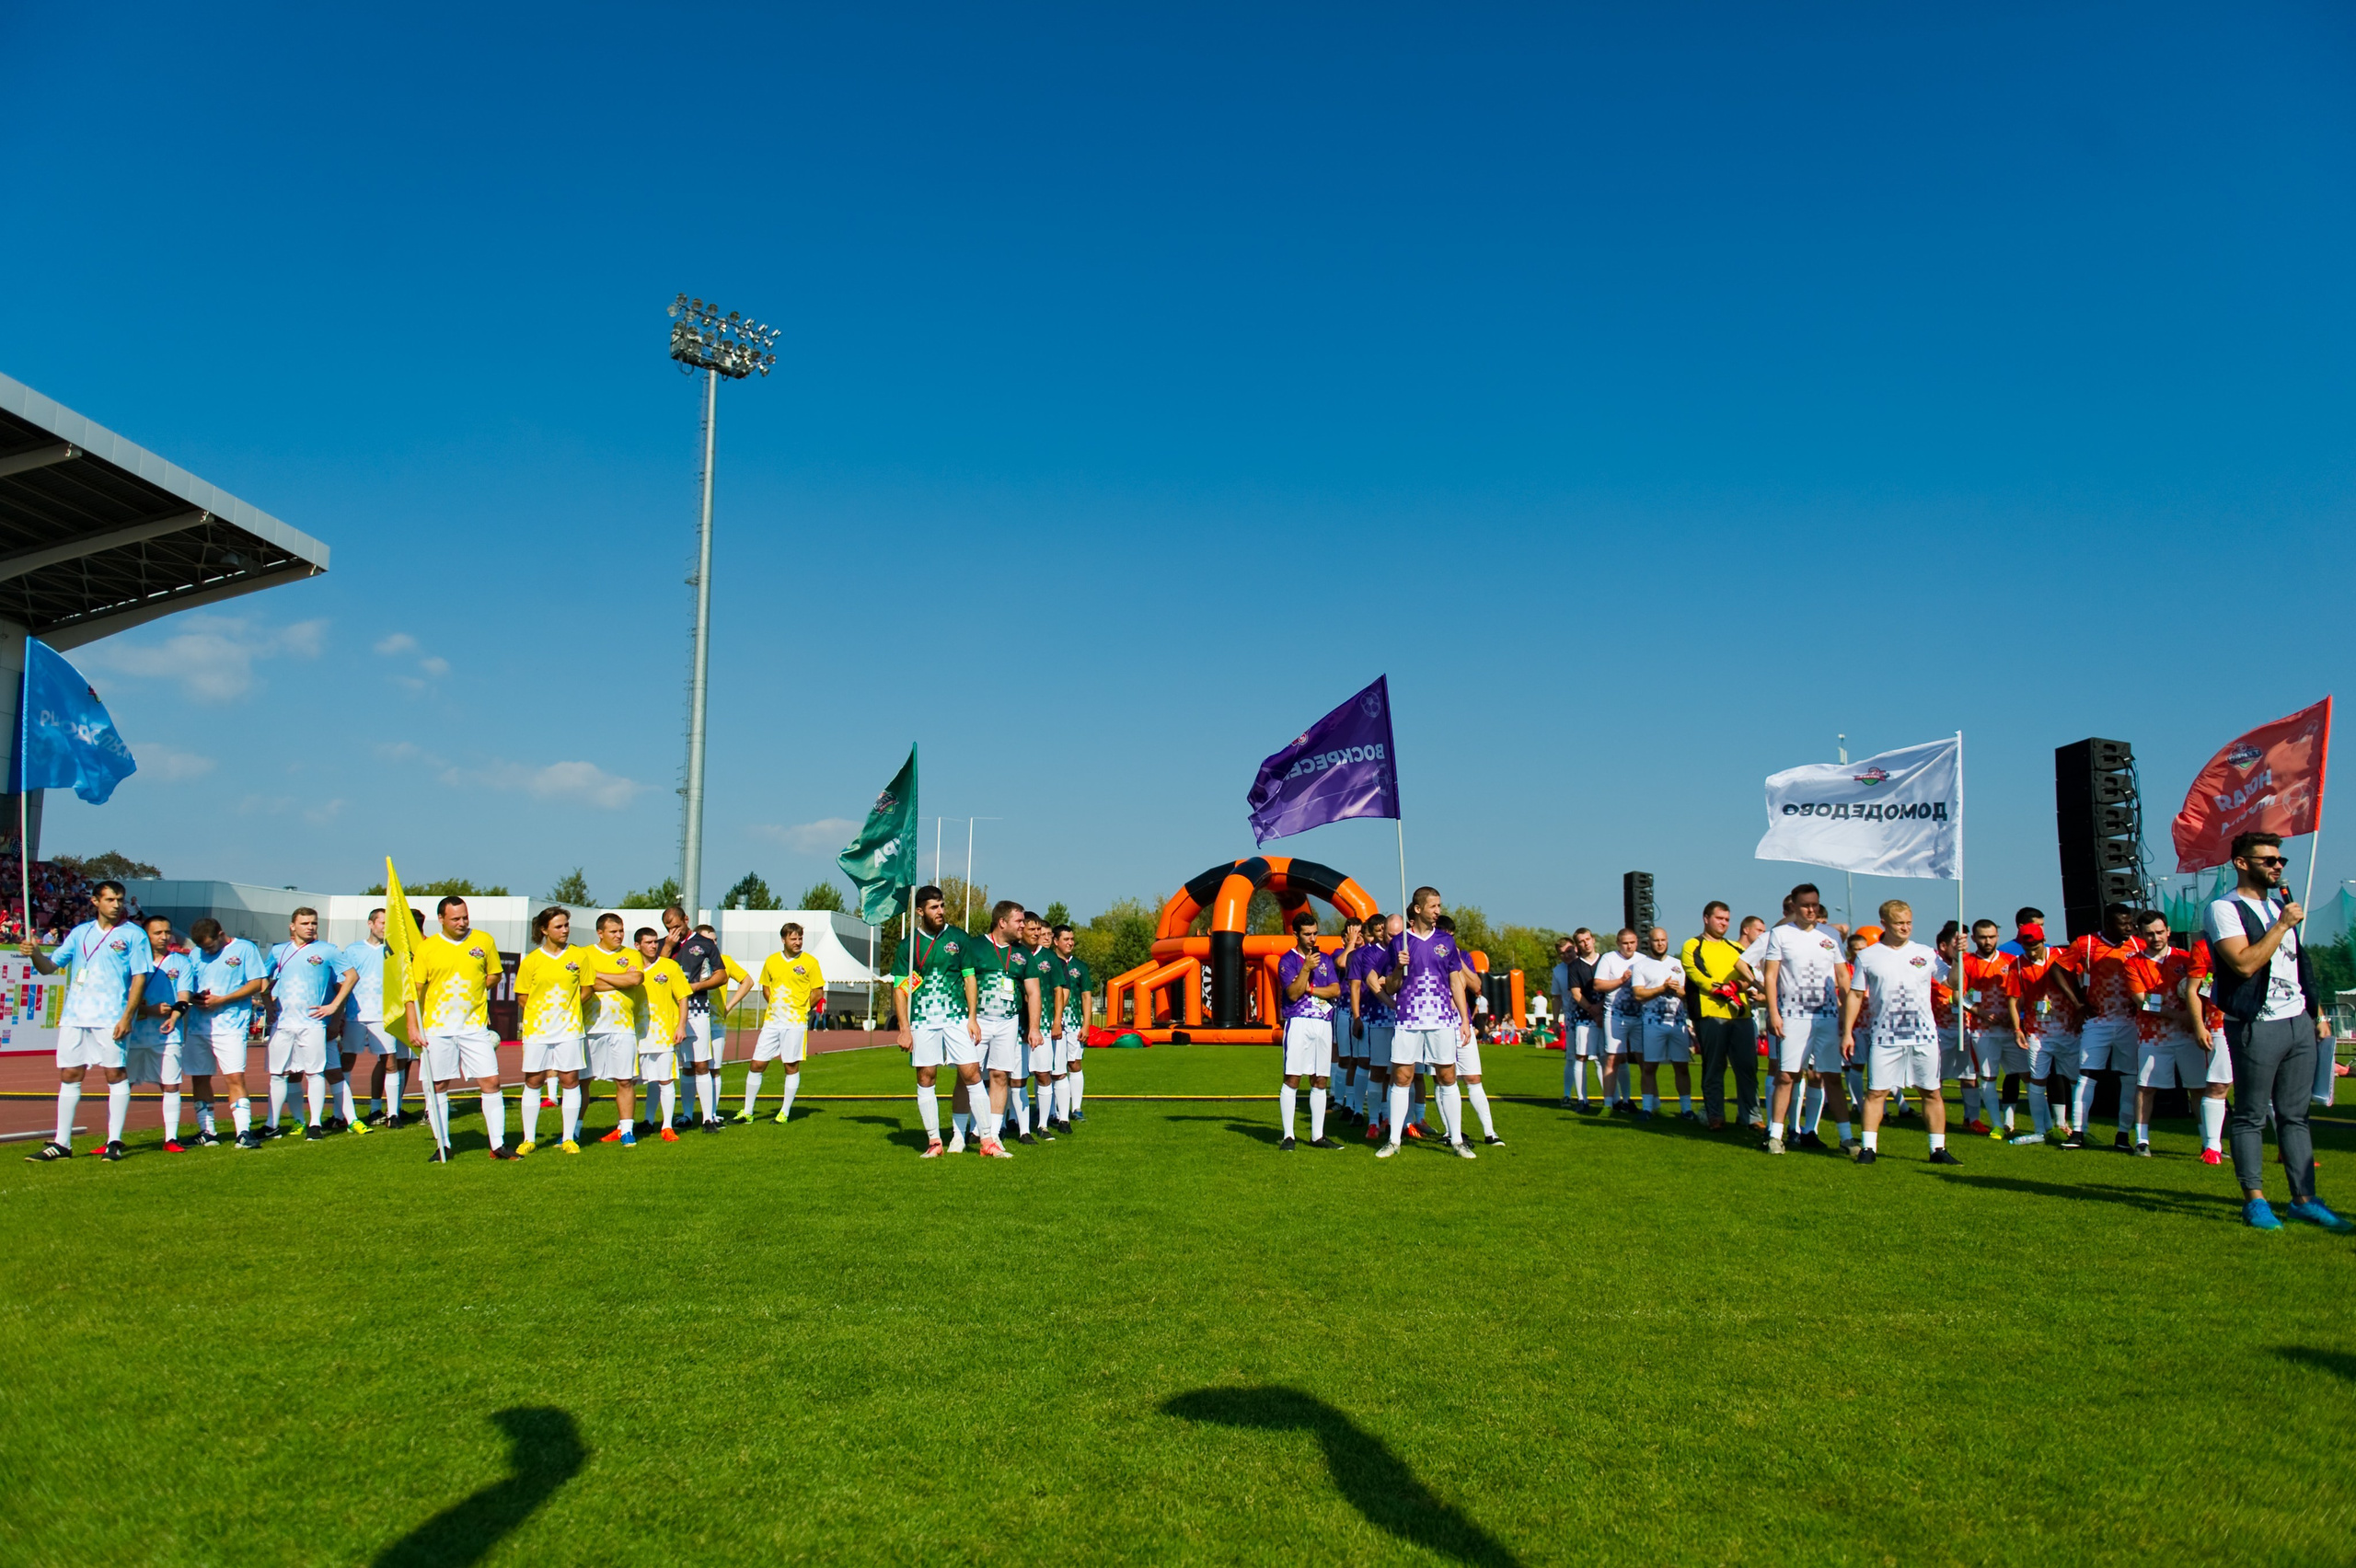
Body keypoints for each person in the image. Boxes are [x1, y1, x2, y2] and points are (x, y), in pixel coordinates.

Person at [2204, 831, 2347, 1231]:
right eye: (2268, 860)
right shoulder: (2224, 909)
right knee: (2250, 1114)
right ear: (2241, 863)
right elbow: (2244, 964)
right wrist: (2283, 925)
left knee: (2295, 1116)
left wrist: (2316, 1014)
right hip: (2256, 1023)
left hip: (2297, 1020)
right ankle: (2256, 1201)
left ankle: (2304, 1199)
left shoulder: (2279, 906)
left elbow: (2299, 969)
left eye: (2280, 860)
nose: (2277, 866)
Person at [21, 878, 152, 1162]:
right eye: (110, 899)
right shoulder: (80, 933)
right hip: (75, 1015)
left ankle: (114, 1140)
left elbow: (140, 977)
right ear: (95, 901)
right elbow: (48, 968)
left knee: (115, 1074)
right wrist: (35, 954)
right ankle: (62, 1143)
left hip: (110, 1016)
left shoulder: (133, 935)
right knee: (70, 1075)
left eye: (119, 899)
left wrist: (128, 1015)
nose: (116, 905)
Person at [1842, 901, 1961, 1166]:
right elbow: (1856, 994)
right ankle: (1869, 1148)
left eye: (1909, 922)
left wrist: (1958, 959)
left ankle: (1937, 1149)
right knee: (1876, 1092)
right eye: (1899, 923)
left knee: (1931, 1091)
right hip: (1885, 1036)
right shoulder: (1868, 956)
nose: (1905, 927)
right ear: (1884, 923)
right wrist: (1848, 1032)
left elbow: (1952, 983)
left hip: (1924, 1035)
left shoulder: (1925, 953)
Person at [1375, 886, 1477, 1160]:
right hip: (1408, 1018)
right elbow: (1391, 986)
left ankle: (1456, 1139)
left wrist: (1464, 1020)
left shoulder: (1446, 941)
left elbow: (1457, 981)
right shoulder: (1400, 943)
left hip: (1442, 1018)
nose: (1438, 911)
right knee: (1402, 1077)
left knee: (1447, 1076)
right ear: (1418, 909)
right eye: (1433, 906)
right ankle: (1394, 1140)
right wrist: (1398, 967)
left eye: (1439, 906)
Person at [407, 896, 512, 1162]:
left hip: (475, 1027)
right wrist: (412, 1026)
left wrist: (476, 990)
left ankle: (498, 1144)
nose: (462, 922)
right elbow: (414, 991)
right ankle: (443, 1145)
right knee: (438, 1084)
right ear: (441, 919)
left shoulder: (484, 941)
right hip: (437, 1029)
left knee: (491, 1081)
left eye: (465, 917)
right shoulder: (427, 948)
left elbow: (495, 974)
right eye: (455, 918)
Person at [1761, 888, 1854, 1155]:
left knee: (1831, 1077)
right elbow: (1771, 976)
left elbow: (1843, 978)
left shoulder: (1831, 936)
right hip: (1792, 1015)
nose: (1811, 910)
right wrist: (1773, 1012)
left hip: (1826, 1017)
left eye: (1815, 905)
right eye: (1805, 906)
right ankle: (1776, 1135)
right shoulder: (1781, 934)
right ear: (1794, 906)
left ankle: (1846, 1138)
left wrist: (1847, 1020)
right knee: (1787, 1075)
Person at [896, 885, 987, 1159]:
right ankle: (935, 1142)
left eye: (943, 905)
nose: (941, 911)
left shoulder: (959, 938)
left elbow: (970, 978)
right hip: (923, 1020)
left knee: (971, 1072)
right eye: (934, 907)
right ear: (920, 911)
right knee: (926, 1076)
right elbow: (901, 989)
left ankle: (988, 1140)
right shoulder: (908, 945)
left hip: (956, 1017)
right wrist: (904, 1029)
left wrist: (972, 1018)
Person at [263, 906, 359, 1143]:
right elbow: (262, 980)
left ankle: (314, 1123)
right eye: (305, 923)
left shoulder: (328, 950)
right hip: (284, 1024)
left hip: (313, 1023)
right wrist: (268, 1004)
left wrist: (334, 1006)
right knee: (278, 1074)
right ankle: (271, 1124)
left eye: (313, 923)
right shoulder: (278, 951)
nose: (310, 927)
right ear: (292, 926)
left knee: (315, 1073)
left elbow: (352, 976)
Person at [2063, 903, 2144, 1152]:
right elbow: (2059, 970)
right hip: (2097, 1021)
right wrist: (2078, 1003)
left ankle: (2122, 1135)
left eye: (2131, 923)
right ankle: (2078, 1132)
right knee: (2087, 1075)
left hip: (2130, 1022)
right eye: (2123, 923)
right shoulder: (2086, 944)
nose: (2129, 927)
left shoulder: (2137, 946)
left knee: (2129, 1078)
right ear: (2108, 924)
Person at [2126, 909, 2205, 1159]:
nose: (2156, 937)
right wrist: (2178, 1014)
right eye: (2149, 933)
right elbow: (2142, 1001)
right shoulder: (2133, 962)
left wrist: (2192, 1017)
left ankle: (2209, 1142)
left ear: (2169, 932)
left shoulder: (2186, 958)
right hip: (2153, 1035)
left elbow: (2204, 987)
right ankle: (2141, 1141)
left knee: (2199, 1088)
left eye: (2160, 932)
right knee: (2146, 1087)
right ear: (2140, 935)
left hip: (2188, 1034)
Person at [514, 905, 591, 1154]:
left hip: (569, 1029)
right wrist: (542, 1014)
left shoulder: (579, 956)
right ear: (544, 930)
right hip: (538, 1030)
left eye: (566, 925)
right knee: (534, 1080)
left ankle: (568, 1138)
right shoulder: (532, 960)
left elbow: (587, 988)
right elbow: (522, 995)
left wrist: (568, 1009)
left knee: (570, 1079)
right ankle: (529, 1139)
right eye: (558, 926)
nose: (565, 930)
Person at [187, 918, 267, 1148]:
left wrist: (223, 1000)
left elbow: (257, 984)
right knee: (200, 1077)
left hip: (230, 1025)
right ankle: (207, 1131)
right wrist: (195, 997)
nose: (207, 951)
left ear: (221, 934)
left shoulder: (244, 949)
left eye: (210, 946)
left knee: (234, 1077)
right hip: (198, 1027)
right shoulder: (195, 955)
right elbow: (187, 985)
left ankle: (243, 1132)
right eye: (203, 948)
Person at [738, 920, 824, 1126]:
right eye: (793, 938)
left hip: (795, 1024)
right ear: (783, 939)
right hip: (772, 1022)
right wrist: (776, 1006)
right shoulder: (771, 961)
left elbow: (818, 992)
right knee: (757, 1064)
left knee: (790, 1065)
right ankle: (747, 1111)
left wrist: (803, 1010)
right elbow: (766, 987)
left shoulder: (810, 962)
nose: (798, 942)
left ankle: (784, 1112)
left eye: (800, 938)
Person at [2003, 923, 2081, 1145]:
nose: (2031, 952)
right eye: (2027, 947)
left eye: (2035, 946)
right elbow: (2013, 999)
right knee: (2037, 1081)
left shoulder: (2061, 956)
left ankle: (2076, 1128)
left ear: (2043, 940)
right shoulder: (2017, 965)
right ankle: (2039, 1130)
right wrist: (2017, 1029)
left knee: (2075, 1080)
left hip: (2067, 1029)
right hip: (2037, 1031)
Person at [1680, 903, 1755, 1131]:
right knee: (1714, 1067)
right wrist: (1720, 989)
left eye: (1727, 919)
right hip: (1710, 1013)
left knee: (1747, 1068)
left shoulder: (1736, 947)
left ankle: (1751, 1117)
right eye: (1719, 918)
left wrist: (1736, 985)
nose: (1723, 923)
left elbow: (1752, 974)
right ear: (1706, 918)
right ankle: (1715, 1115)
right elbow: (1696, 974)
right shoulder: (1693, 944)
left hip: (1740, 1014)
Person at [127, 915, 196, 1151]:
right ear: (146, 935)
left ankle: (171, 1138)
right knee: (121, 1084)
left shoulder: (182, 963)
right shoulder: (132, 961)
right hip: (133, 1034)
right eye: (158, 933)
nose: (164, 936)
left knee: (171, 1085)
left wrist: (173, 1016)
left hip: (167, 1036)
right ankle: (112, 1138)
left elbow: (184, 998)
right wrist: (148, 1009)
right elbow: (123, 997)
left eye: (167, 932)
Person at [1277, 909, 1343, 1149]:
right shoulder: (1287, 960)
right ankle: (1288, 1136)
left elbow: (1336, 990)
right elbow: (1293, 994)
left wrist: (1311, 989)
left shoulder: (1325, 959)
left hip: (1324, 1022)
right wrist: (1305, 969)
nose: (1312, 939)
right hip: (1299, 1021)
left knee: (1320, 1079)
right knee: (1293, 1076)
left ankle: (1317, 1135)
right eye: (1307, 934)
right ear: (1296, 934)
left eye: (1315, 933)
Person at [341, 908, 410, 1128]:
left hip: (384, 1016)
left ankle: (392, 1113)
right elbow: (341, 982)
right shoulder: (353, 950)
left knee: (390, 1061)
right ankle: (341, 1112)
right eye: (381, 923)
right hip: (356, 1015)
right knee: (347, 1061)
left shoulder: (395, 951)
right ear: (371, 924)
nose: (384, 927)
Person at [660, 906, 727, 1132]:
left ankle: (708, 1118)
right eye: (668, 928)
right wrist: (668, 947)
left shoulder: (705, 944)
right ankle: (687, 1114)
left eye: (677, 927)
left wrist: (697, 986)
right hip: (669, 1012)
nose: (673, 932)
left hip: (697, 1008)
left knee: (701, 1064)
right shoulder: (663, 945)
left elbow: (721, 975)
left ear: (686, 920)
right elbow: (655, 972)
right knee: (684, 1067)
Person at [583, 913, 648, 1145]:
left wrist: (597, 974)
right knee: (582, 1081)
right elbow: (587, 984)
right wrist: (619, 978)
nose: (619, 935)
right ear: (600, 933)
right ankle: (575, 1130)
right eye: (613, 931)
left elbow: (634, 980)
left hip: (623, 1028)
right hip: (591, 1027)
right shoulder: (585, 954)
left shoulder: (631, 954)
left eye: (621, 930)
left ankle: (626, 1130)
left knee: (625, 1080)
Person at [966, 901, 1022, 1158]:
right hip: (979, 1020)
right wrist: (969, 1017)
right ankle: (965, 1131)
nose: (1023, 925)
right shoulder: (975, 946)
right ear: (1002, 922)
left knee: (1001, 1076)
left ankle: (994, 1136)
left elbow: (1031, 990)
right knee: (970, 1074)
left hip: (1008, 1020)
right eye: (1018, 921)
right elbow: (965, 981)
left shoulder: (1020, 953)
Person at [1958, 919, 2013, 1136]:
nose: (1988, 941)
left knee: (2025, 1075)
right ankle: (1997, 1125)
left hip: (2010, 1029)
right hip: (1982, 1030)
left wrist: (2015, 1016)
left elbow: (2022, 992)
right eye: (1982, 937)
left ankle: (2030, 1124)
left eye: (1991, 936)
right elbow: (1958, 996)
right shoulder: (1966, 961)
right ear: (1974, 938)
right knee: (1988, 1077)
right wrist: (1980, 1012)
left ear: (1998, 936)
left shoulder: (2011, 961)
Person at [1631, 926, 1692, 1120]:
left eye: (1663, 940)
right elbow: (1639, 994)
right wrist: (1661, 989)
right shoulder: (1641, 965)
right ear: (1649, 942)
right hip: (1652, 1021)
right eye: (1656, 940)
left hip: (1677, 1021)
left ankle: (1686, 1109)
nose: (1660, 944)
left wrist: (1676, 990)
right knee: (1649, 1067)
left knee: (1681, 1066)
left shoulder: (1679, 964)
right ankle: (1647, 1108)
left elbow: (1688, 996)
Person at [1038, 922, 1091, 1136]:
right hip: (1052, 1021)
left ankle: (1075, 1108)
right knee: (1048, 1068)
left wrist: (1086, 1024)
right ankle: (1051, 1112)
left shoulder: (1080, 966)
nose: (1071, 943)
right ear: (1055, 942)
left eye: (1072, 939)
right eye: (1066, 939)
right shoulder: (1047, 962)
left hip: (1074, 1022)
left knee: (1073, 1063)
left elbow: (1086, 995)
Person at [1354, 914, 1400, 1141]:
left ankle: (1397, 1119)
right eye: (1388, 933)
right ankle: (1373, 1121)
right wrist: (1392, 1001)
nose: (1392, 938)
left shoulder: (1407, 948)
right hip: (1380, 1019)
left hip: (1406, 1021)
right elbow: (1374, 983)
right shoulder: (1369, 953)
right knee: (1378, 1070)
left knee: (1401, 1073)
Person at [1592, 928, 1641, 1115]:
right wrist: (1621, 980)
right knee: (1612, 1058)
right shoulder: (1609, 959)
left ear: (1636, 942)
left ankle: (1643, 1103)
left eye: (1632, 943)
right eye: (1625, 943)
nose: (1629, 947)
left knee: (1643, 1060)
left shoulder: (1642, 960)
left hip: (1639, 1015)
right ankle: (1608, 1104)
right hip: (1615, 1014)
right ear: (1618, 944)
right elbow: (1598, 985)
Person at [1558, 929, 1605, 1112]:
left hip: (1605, 1015)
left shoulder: (1605, 960)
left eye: (1587, 939)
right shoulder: (1575, 966)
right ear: (1578, 945)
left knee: (1604, 1058)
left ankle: (1612, 1098)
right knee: (1581, 1057)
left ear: (1593, 940)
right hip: (1583, 1016)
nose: (1586, 944)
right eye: (1581, 941)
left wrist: (1600, 1008)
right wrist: (1593, 1010)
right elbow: (1576, 994)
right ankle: (1582, 1099)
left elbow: (1609, 989)